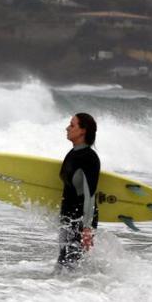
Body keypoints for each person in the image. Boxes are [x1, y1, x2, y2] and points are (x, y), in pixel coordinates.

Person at [57, 113, 100, 267]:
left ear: (83, 131)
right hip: (69, 218)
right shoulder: (72, 153)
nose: (67, 128)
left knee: (70, 266)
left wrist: (87, 228)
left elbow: (90, 194)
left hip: (80, 220)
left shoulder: (89, 158)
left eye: (72, 125)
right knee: (64, 264)